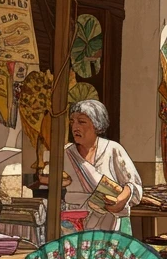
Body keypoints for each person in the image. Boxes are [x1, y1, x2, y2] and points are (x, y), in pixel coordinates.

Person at [60, 99, 143, 232]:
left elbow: (133, 184)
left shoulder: (113, 149)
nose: (75, 127)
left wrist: (121, 200)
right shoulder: (66, 153)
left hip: (109, 223)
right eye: (72, 122)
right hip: (75, 224)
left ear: (96, 125)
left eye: (81, 122)